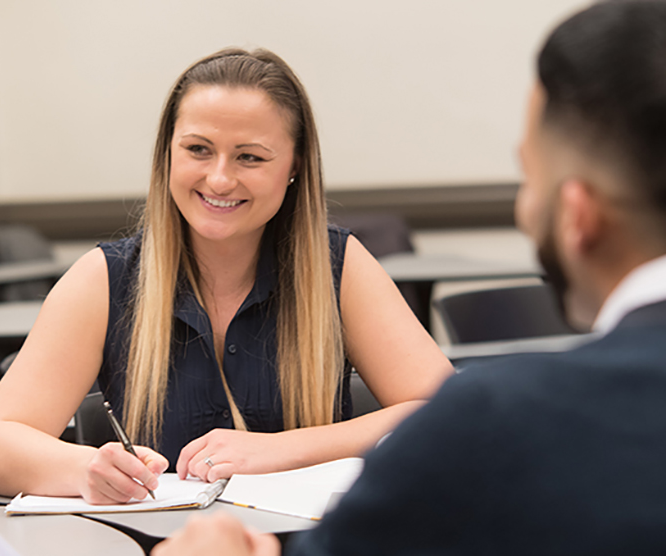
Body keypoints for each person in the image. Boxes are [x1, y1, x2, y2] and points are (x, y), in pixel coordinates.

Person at [152, 2, 666, 554]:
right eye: (199, 149)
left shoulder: (508, 426)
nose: (221, 177)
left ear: (577, 217)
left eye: (528, 176)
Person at [0, 48, 452, 504]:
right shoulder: (104, 279)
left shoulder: (338, 266)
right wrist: (89, 467)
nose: (219, 179)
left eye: (250, 157)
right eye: (198, 149)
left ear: (294, 166)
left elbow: (446, 410)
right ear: (167, 154)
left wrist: (284, 449)